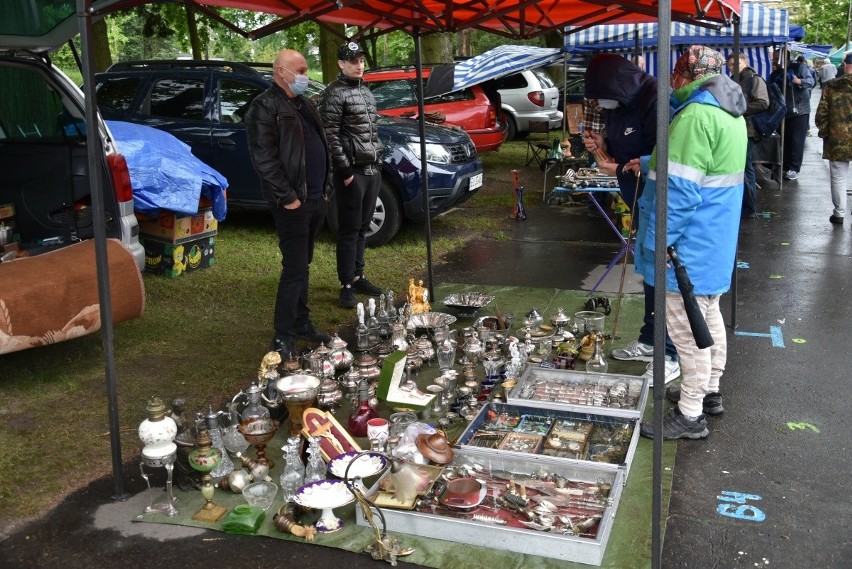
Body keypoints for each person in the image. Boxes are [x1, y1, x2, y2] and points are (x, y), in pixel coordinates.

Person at [632, 46, 746, 440]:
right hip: (713, 241)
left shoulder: (695, 115)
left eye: (674, 76)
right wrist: (648, 163)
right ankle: (709, 391)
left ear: (683, 75)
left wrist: (659, 241)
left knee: (684, 331)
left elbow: (679, 190)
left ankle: (691, 413)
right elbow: (702, 168)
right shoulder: (728, 112)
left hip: (687, 248)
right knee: (708, 316)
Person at [583, 53, 681, 385]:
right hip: (638, 196)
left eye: (601, 93)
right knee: (649, 272)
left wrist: (632, 162)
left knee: (662, 272)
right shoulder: (619, 103)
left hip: (660, 198)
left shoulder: (656, 98)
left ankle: (669, 351)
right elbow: (621, 141)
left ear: (618, 83)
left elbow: (669, 152)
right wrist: (602, 145)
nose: (598, 102)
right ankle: (650, 340)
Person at [245, 48, 333, 358]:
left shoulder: (305, 104)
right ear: (283, 72)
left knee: (303, 265)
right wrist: (289, 198)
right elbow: (264, 160)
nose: (306, 76)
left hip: (315, 198)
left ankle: (302, 323)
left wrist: (325, 188)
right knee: (294, 268)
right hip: (292, 203)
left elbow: (323, 145)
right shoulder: (264, 107)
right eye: (302, 70)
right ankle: (283, 334)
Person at [319, 40, 385, 308]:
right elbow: (330, 135)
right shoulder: (334, 93)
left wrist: (378, 160)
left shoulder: (367, 92)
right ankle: (346, 284)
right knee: (348, 230)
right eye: (353, 61)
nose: (359, 65)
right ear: (341, 64)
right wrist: (345, 170)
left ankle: (359, 276)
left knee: (362, 228)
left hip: (372, 170)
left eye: (361, 61)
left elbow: (371, 131)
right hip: (351, 173)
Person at [727, 52, 769, 218]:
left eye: (736, 64)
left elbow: (763, 102)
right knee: (741, 166)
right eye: (730, 65)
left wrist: (741, 110)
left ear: (745, 62)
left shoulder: (754, 79)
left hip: (749, 129)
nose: (733, 67)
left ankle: (750, 208)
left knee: (745, 167)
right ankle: (745, 206)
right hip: (738, 128)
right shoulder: (732, 80)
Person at [816, 52, 852, 226]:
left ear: (845, 66)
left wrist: (825, 133)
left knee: (838, 177)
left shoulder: (832, 86)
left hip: (837, 139)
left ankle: (839, 214)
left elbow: (821, 114)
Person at [770, 51, 815, 180]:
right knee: (784, 140)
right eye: (773, 58)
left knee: (796, 141)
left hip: (799, 110)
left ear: (784, 58)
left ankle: (793, 168)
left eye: (776, 58)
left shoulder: (799, 67)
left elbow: (811, 81)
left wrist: (798, 80)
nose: (774, 60)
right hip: (782, 111)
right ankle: (784, 165)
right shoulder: (775, 73)